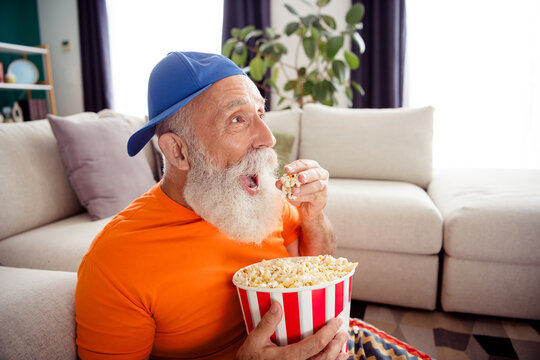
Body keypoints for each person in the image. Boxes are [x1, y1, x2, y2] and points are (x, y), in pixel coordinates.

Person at [75, 51, 348, 360]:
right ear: (177, 151)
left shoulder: (264, 199)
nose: (268, 138)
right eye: (237, 119)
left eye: (261, 113)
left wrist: (314, 215)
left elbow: (317, 275)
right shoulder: (115, 262)